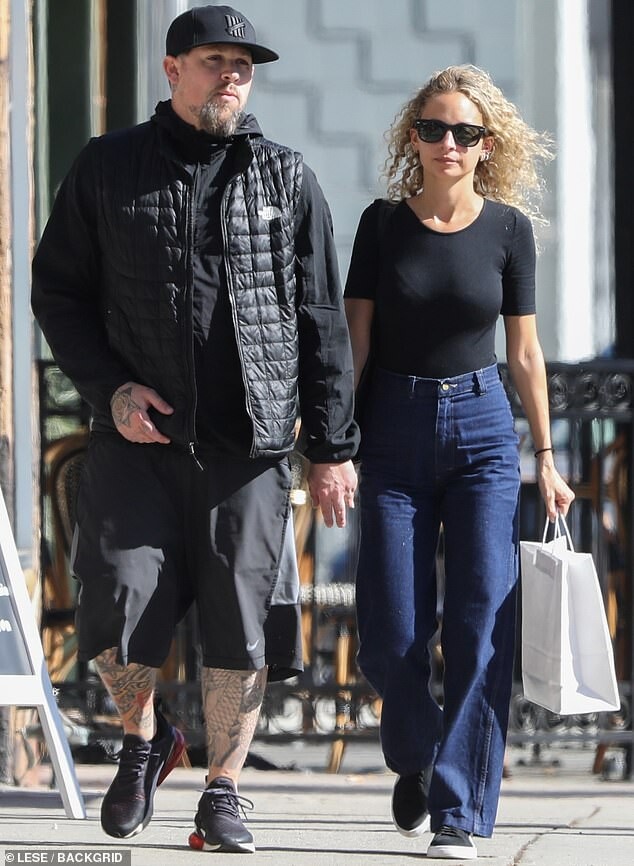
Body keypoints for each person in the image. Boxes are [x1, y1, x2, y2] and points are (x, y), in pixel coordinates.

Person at [31, 4, 358, 854]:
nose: (233, 77)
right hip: (135, 442)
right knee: (116, 600)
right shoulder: (107, 167)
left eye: (243, 66)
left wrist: (332, 449)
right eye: (216, 61)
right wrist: (110, 390)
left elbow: (322, 320)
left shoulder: (287, 178)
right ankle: (145, 741)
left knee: (241, 622)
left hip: (249, 448)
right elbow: (57, 293)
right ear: (172, 70)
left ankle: (223, 790)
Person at [344, 65, 574, 860]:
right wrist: (335, 444)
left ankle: (460, 811)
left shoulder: (509, 230)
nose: (449, 142)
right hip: (393, 427)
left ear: (487, 146)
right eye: (434, 128)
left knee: (480, 621)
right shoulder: (381, 225)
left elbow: (526, 352)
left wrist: (546, 455)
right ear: (414, 138)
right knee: (390, 631)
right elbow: (357, 340)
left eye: (465, 131)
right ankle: (417, 750)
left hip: (482, 430)